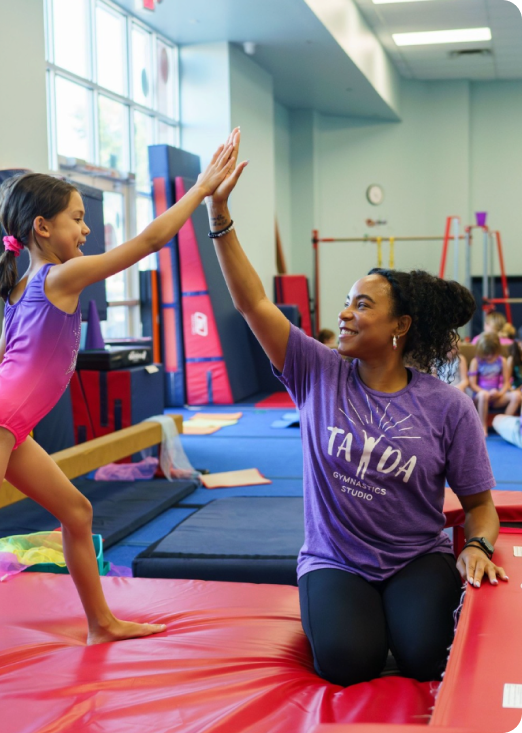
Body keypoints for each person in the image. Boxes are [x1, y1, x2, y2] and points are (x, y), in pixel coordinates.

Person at [0, 138, 238, 642]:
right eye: (77, 219)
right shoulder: (62, 277)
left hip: (3, 426)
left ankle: (100, 624)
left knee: (78, 513)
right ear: (43, 227)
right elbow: (149, 243)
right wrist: (200, 190)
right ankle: (100, 621)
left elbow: (0, 361)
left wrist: (16, 423)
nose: (85, 230)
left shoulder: (26, 285)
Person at [206, 129, 507, 687]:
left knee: (426, 659)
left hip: (416, 558)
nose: (345, 313)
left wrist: (479, 547)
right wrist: (219, 214)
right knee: (348, 662)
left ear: (400, 326)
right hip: (335, 560)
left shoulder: (448, 407)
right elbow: (251, 301)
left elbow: (480, 507)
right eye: (346, 302)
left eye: (362, 304)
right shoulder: (314, 370)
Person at [468, 332, 521, 437]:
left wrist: (500, 393)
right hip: (481, 396)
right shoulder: (476, 361)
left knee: (517, 396)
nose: (489, 356)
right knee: (484, 395)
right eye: (486, 354)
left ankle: (502, 425)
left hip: (496, 396)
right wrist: (484, 392)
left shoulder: (502, 361)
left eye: (492, 353)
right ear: (481, 351)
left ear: (497, 350)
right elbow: (472, 384)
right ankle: (483, 426)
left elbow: (506, 383)